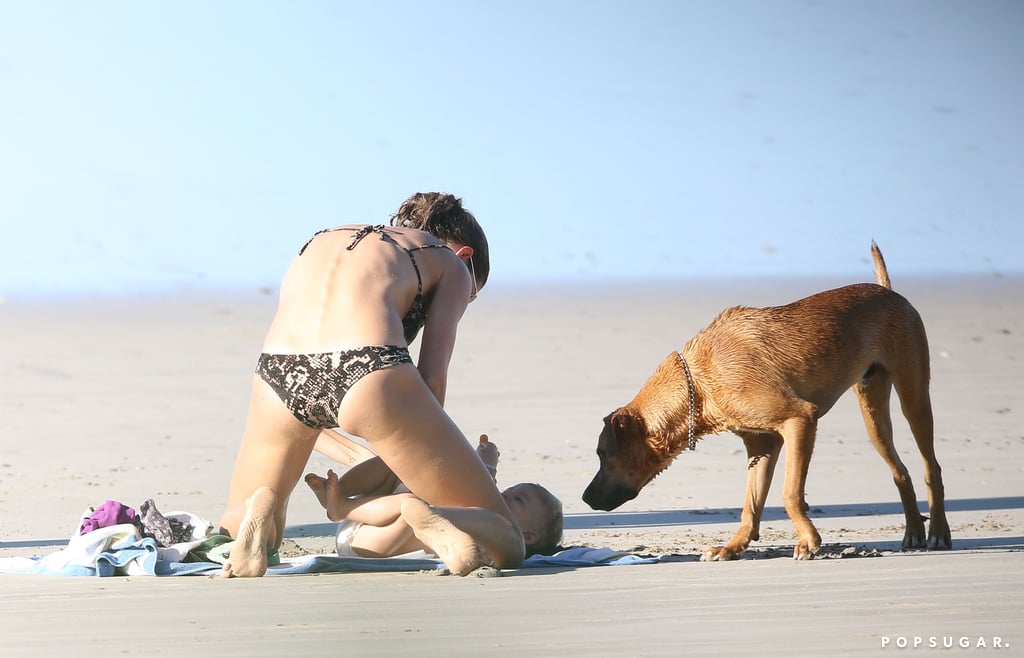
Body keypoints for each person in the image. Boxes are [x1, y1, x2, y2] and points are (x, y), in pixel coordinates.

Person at [218, 192, 525, 577]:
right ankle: (433, 517)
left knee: (235, 520)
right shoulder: (452, 265)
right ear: (466, 256)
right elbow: (431, 379)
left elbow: (315, 409)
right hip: (369, 366)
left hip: (278, 376)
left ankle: (258, 513)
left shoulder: (325, 239)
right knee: (509, 541)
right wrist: (420, 476)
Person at [305, 434, 563, 561]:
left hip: (370, 545)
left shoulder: (495, 539)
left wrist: (487, 468)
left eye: (518, 500)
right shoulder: (488, 514)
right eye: (510, 490)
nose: (506, 495)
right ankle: (338, 493)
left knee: (413, 507)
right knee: (394, 463)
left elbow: (470, 503)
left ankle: (342, 507)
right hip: (373, 512)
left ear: (528, 535)